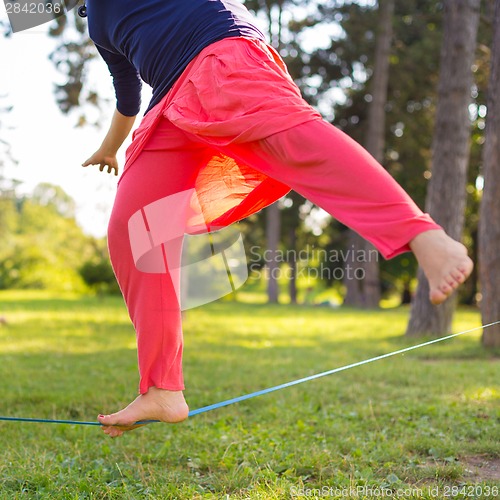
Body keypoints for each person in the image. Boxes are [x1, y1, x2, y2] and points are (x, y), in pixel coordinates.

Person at [81, 0, 473, 438]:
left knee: (296, 144)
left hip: (221, 54)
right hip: (169, 104)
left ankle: (423, 235)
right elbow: (126, 94)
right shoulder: (98, 20)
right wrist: (109, 147)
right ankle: (162, 387)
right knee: (133, 229)